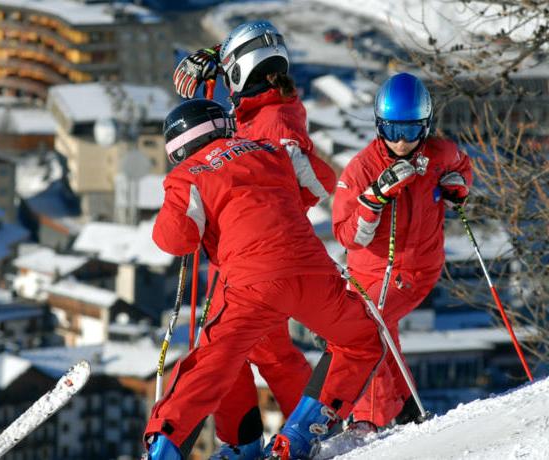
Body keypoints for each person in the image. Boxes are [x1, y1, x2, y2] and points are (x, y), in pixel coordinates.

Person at [143, 98, 384, 460]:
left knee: (213, 364)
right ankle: (300, 435)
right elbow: (321, 181)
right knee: (362, 341)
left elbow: (175, 240)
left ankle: (165, 446)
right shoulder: (271, 149)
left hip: (250, 284)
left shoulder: (187, 174)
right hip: (312, 273)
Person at [172, 20, 336, 458]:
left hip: (255, 260)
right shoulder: (269, 110)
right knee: (259, 352)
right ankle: (264, 439)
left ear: (241, 75)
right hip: (250, 254)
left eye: (230, 76)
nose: (227, 86)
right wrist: (220, 53)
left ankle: (259, 443)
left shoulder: (273, 125)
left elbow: (310, 183)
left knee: (230, 354)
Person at [332, 72, 472, 432]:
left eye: (411, 131)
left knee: (366, 327)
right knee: (377, 329)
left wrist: (457, 185)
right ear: (380, 126)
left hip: (415, 270)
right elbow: (349, 237)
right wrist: (373, 200)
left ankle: (371, 420)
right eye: (393, 131)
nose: (402, 142)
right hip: (368, 273)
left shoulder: (439, 153)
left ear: (425, 127)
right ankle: (406, 408)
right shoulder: (362, 169)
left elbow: (461, 165)